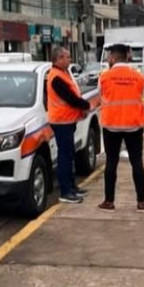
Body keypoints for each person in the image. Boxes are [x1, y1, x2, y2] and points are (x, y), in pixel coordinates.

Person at [97, 43, 144, 212]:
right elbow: (142, 98)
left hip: (111, 126)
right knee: (137, 162)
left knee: (111, 163)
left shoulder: (105, 77)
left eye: (109, 56)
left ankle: (109, 201)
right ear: (127, 56)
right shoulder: (138, 77)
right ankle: (142, 201)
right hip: (133, 125)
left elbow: (101, 96)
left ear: (113, 58)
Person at [46, 46, 91, 204]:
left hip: (67, 121)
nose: (70, 59)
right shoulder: (56, 77)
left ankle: (72, 187)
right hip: (61, 122)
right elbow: (70, 98)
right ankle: (66, 191)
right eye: (67, 57)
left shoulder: (62, 74)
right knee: (65, 157)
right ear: (58, 59)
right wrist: (85, 105)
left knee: (69, 154)